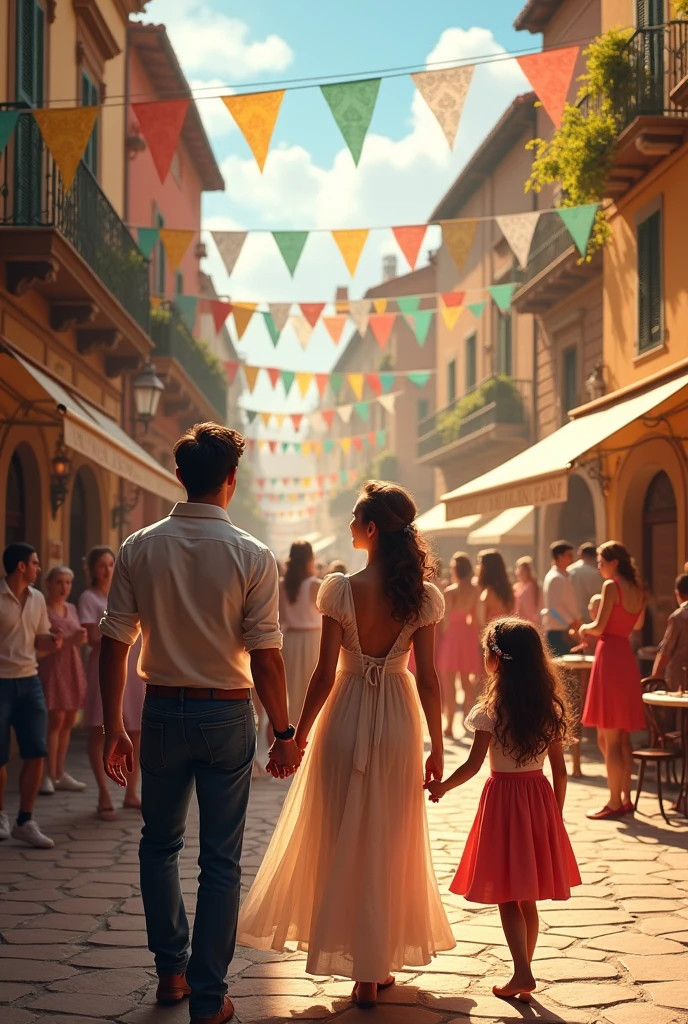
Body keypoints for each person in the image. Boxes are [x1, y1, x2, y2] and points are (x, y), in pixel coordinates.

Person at [99, 422, 301, 1024]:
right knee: (221, 860)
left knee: (158, 846)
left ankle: (171, 973)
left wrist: (115, 725)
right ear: (231, 480)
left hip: (160, 711)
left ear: (179, 476)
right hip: (226, 714)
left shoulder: (139, 546)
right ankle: (210, 1000)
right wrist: (283, 731)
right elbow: (266, 656)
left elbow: (113, 644)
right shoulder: (253, 554)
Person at [237, 481, 455, 1009]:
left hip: (346, 716)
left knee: (340, 835)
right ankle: (373, 970)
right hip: (401, 720)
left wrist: (298, 735)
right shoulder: (422, 597)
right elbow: (429, 678)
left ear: (372, 528)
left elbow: (323, 674)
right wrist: (438, 746)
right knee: (388, 837)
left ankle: (356, 963)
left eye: (356, 516)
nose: (350, 524)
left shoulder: (339, 589)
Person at [425, 617, 580, 1002]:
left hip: (503, 803)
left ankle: (522, 972)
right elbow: (559, 773)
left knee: (508, 895)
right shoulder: (549, 708)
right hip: (538, 798)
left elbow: (473, 765)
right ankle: (523, 968)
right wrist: (554, 818)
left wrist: (442, 786)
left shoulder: (491, 710)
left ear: (497, 658)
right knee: (525, 895)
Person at [0, 543, 61, 848]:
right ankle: (0, 815)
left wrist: (53, 641)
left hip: (30, 680)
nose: (39, 567)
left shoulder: (37, 599)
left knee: (36, 752)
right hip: (1, 682)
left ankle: (25, 820)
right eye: (35, 563)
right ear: (21, 566)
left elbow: (39, 637)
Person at [580, 541, 645, 820]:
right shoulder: (638, 589)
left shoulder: (611, 587)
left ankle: (614, 801)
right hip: (625, 657)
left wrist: (584, 626)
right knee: (621, 737)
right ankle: (625, 798)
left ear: (614, 562)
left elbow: (599, 626)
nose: (598, 566)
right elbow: (638, 625)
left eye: (600, 561)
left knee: (609, 737)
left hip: (609, 656)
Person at [79, 547, 144, 820]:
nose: (107, 569)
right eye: (102, 565)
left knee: (136, 729)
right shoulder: (88, 598)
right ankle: (104, 794)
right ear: (93, 569)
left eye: (111, 563)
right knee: (100, 729)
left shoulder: (127, 591)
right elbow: (93, 637)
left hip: (133, 667)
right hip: (104, 665)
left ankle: (131, 792)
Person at [38, 566, 87, 794]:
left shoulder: (71, 607)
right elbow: (45, 643)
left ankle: (60, 772)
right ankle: (47, 773)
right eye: (59, 582)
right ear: (48, 583)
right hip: (53, 667)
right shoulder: (44, 610)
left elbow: (78, 638)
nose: (64, 587)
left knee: (68, 719)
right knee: (55, 719)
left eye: (68, 582)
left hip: (71, 665)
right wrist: (70, 639)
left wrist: (80, 638)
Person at [438, 552, 482, 737]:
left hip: (453, 635)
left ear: (456, 570)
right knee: (466, 682)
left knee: (449, 682)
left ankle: (448, 724)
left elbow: (444, 618)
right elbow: (477, 618)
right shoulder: (475, 590)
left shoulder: (450, 591)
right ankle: (467, 721)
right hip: (468, 635)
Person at [279, 541, 322, 720]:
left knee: (294, 692)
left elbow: (280, 618)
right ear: (309, 559)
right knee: (313, 691)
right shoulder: (314, 585)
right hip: (313, 639)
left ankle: (295, 731)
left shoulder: (282, 585)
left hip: (289, 640)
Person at [542, 541, 582, 656]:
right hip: (559, 632)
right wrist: (570, 622)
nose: (572, 559)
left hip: (565, 630)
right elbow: (553, 608)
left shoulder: (564, 576)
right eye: (569, 555)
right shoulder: (555, 578)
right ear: (559, 556)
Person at [652, 574, 688, 691]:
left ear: (678, 593)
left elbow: (665, 651)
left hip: (679, 680)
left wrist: (655, 677)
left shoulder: (678, 617)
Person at [476, 549, 515, 627]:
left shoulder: (487, 594)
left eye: (480, 565)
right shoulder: (508, 590)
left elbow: (481, 623)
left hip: (492, 634)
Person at [568, 544, 603, 623]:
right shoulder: (594, 573)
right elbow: (596, 596)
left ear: (580, 554)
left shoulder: (568, 570)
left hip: (571, 617)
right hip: (589, 617)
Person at [513, 557, 540, 627]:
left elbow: (529, 611)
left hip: (526, 624)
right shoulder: (517, 587)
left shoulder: (529, 588)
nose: (517, 572)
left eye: (520, 569)